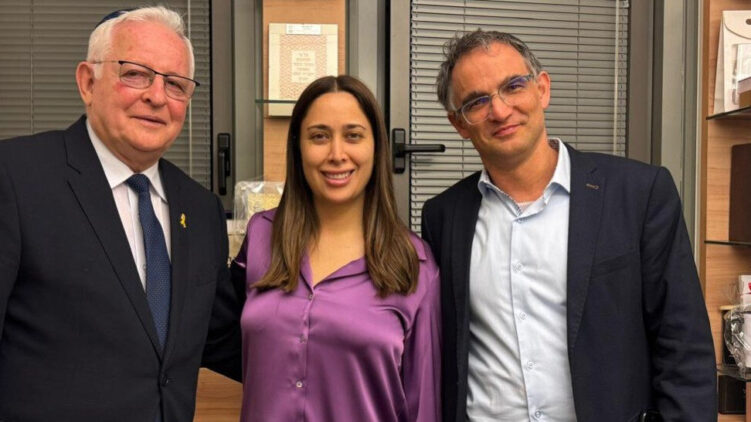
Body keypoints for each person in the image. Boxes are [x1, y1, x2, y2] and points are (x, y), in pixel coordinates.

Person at [421, 29, 716, 422]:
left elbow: (684, 346)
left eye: (513, 86)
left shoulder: (639, 194)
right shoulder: (443, 217)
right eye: (477, 101)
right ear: (459, 124)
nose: (500, 111)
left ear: (542, 88)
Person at [0, 7, 242, 422]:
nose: (157, 96)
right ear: (87, 82)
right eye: (135, 74)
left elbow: (218, 338)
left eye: (175, 84)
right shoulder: (16, 177)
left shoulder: (201, 210)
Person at [231, 75, 441, 421]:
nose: (337, 154)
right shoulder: (261, 236)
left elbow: (424, 407)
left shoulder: (414, 265)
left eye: (353, 136)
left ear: (376, 147)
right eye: (319, 136)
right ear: (298, 147)